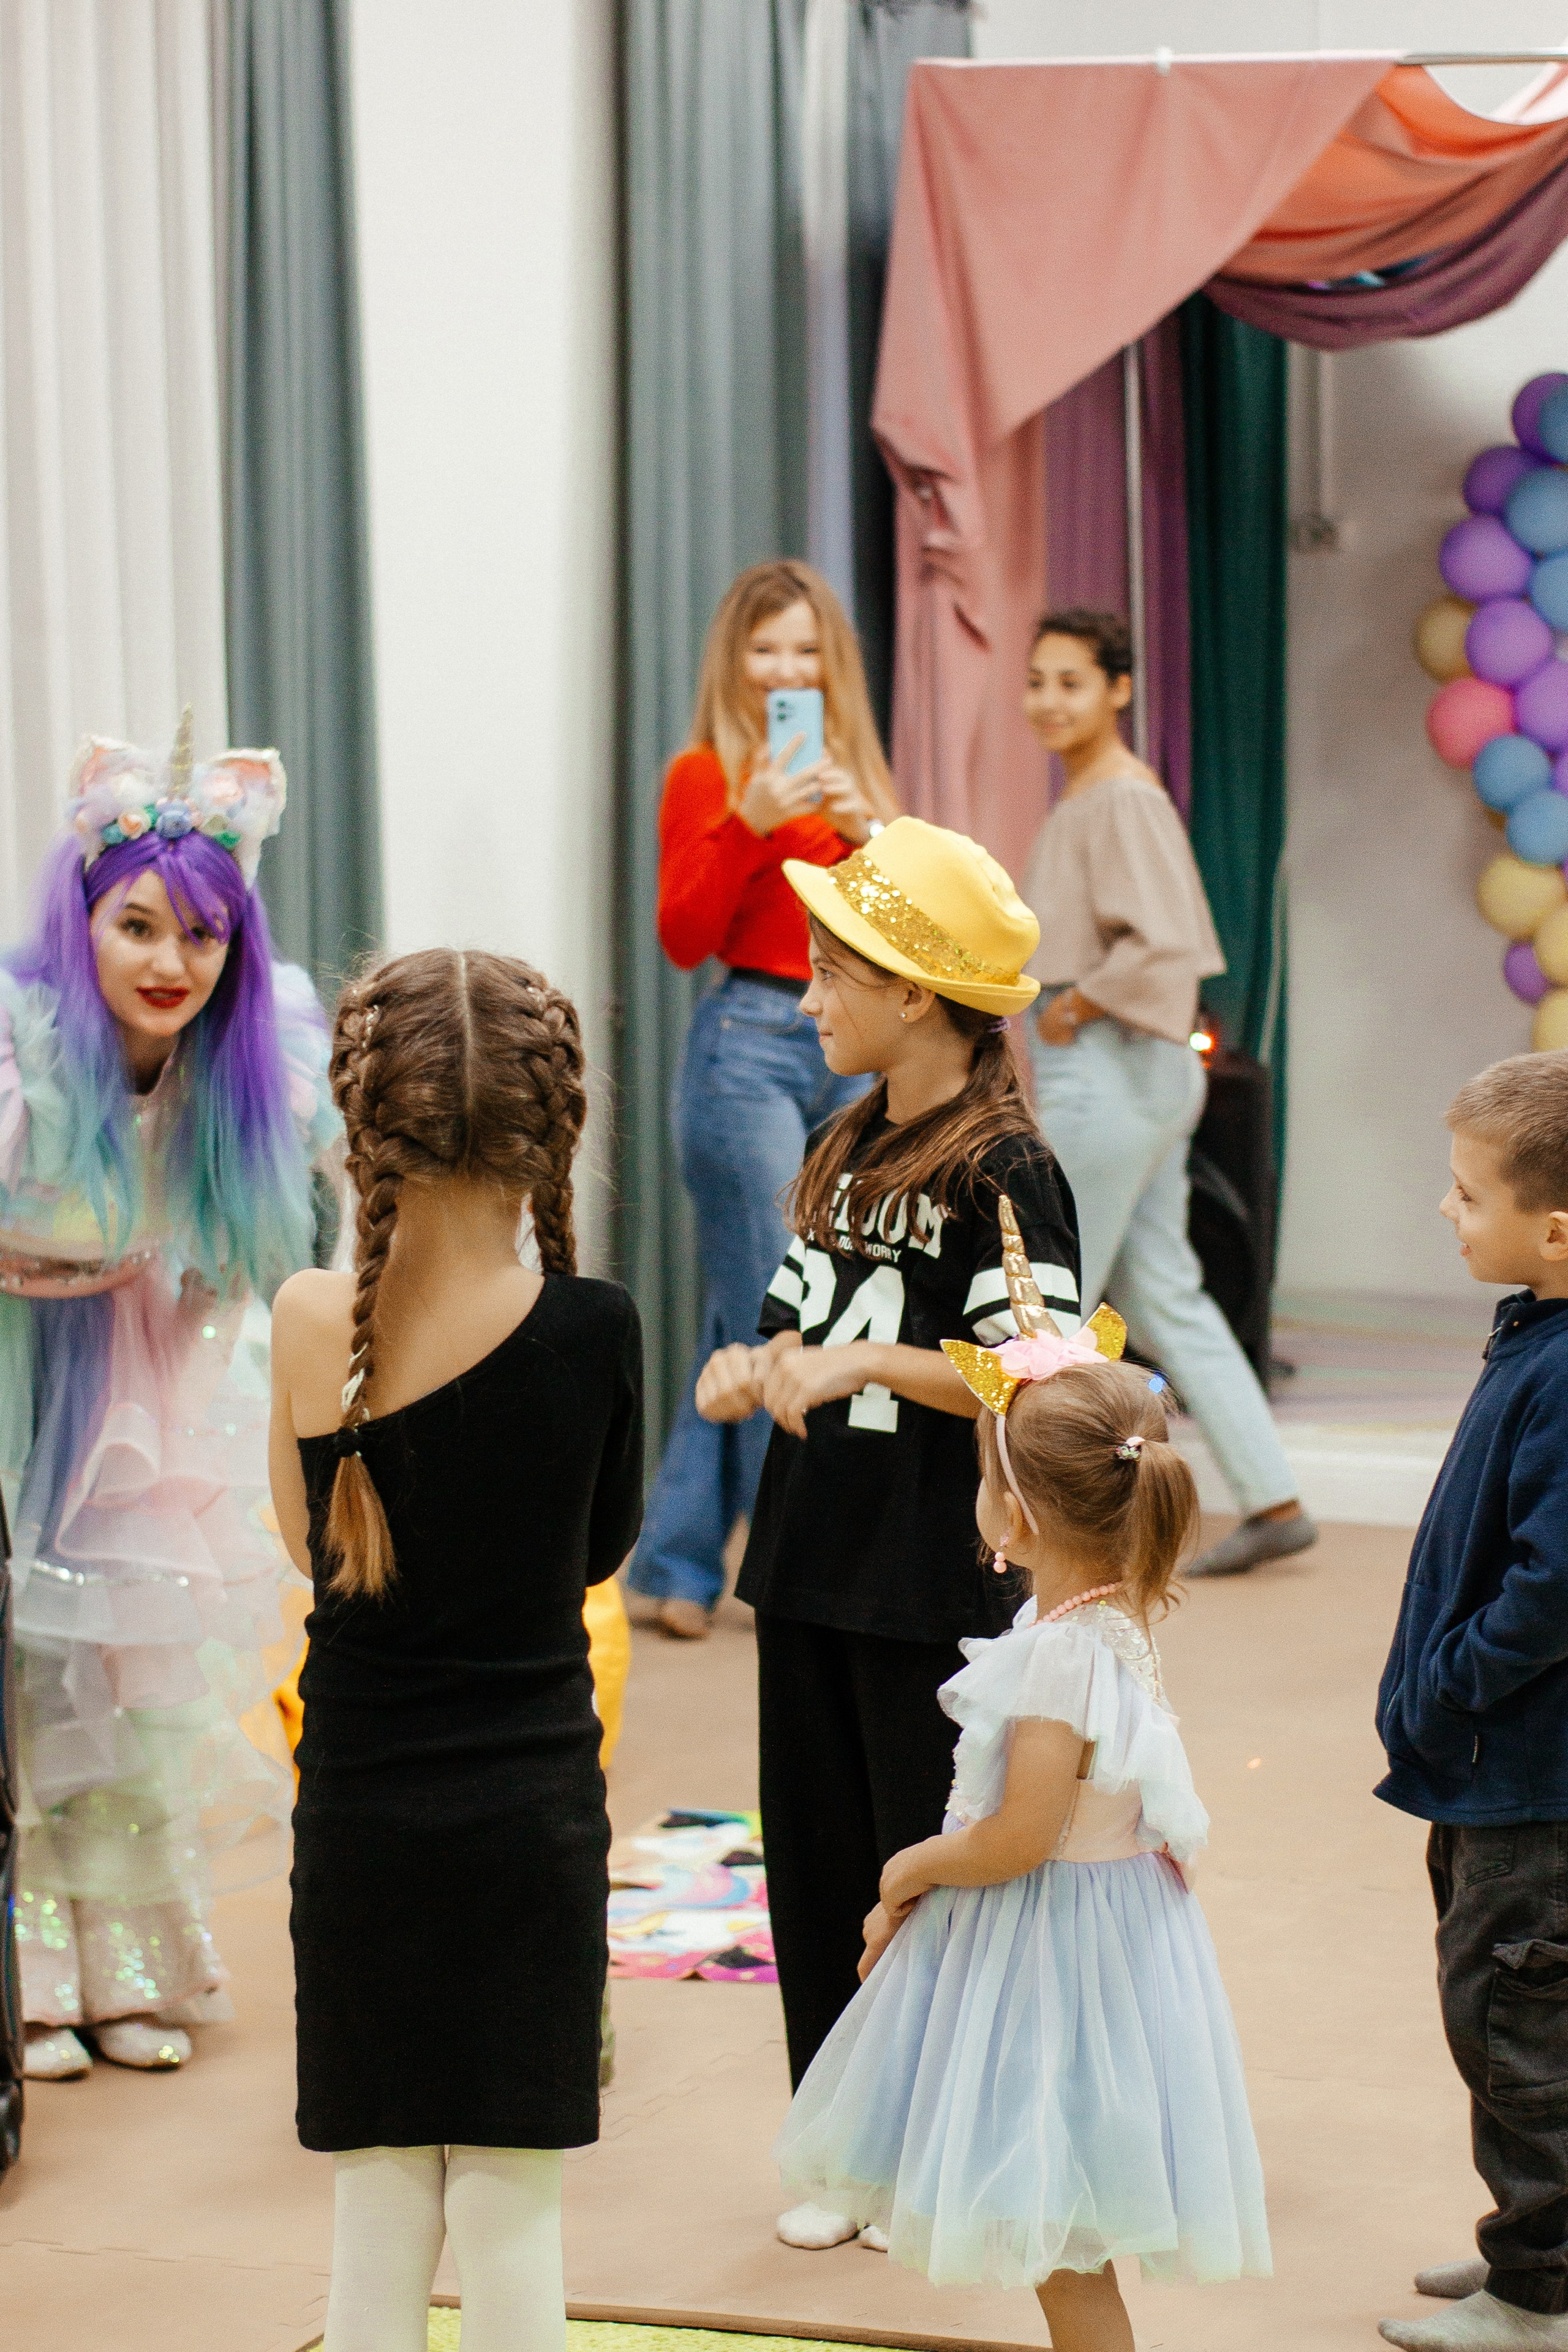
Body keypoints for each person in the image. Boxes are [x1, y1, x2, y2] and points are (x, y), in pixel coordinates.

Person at [695, 815, 1080, 2250]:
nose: (807, 1002)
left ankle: (939, 2140)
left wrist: (866, 1367)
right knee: (808, 1865)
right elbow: (791, 1324)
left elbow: (1037, 1375)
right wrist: (752, 1369)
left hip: (928, 1581)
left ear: (914, 991)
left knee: (913, 1868)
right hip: (803, 1564)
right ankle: (837, 2143)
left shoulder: (1005, 1169)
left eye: (828, 977)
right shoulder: (835, 1140)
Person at [774, 1254, 1270, 2352]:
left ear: (1016, 1513)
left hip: (1054, 1965)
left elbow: (1019, 1837)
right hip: (1110, 1947)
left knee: (1058, 2236)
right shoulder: (1113, 1622)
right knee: (1065, 2231)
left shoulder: (1055, 1659)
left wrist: (908, 1868)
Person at [269, 948, 643, 2352]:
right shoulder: (597, 1328)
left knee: (375, 2213)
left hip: (362, 1823)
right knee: (513, 2214)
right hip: (531, 1827)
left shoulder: (314, 1320)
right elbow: (596, 1549)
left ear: (363, 1126)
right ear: (558, 1133)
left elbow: (296, 1537)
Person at [1, 717, 338, 2082]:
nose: (168, 964)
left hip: (154, 1399)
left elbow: (247, 1252)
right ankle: (28, 1978)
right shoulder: (24, 1060)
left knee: (132, 1689)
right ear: (85, 923)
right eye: (137, 927)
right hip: (24, 1388)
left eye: (200, 938)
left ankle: (129, 1972)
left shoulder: (245, 1074)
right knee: (26, 1690)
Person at [627, 559, 899, 1640]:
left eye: (803, 651)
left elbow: (906, 940)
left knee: (749, 1315)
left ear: (831, 667)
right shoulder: (704, 775)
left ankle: (680, 1563)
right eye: (764, 650)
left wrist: (874, 831)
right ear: (734, 662)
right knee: (788, 1313)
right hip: (745, 1044)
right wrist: (747, 821)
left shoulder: (857, 782)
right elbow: (683, 937)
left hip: (853, 1047)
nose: (784, 670)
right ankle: (796, 1562)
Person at [1021, 608, 1316, 1580]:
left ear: (1119, 689)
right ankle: (1273, 1497)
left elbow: (1163, 943)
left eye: (1072, 680)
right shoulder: (1098, 797)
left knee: (1050, 1304)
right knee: (1170, 1297)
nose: (1049, 700)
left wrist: (1076, 1007)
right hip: (1132, 1074)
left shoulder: (1116, 799)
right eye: (1038, 681)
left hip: (1108, 1067)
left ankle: (1019, 1523)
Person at [1376, 1053, 1568, 2352]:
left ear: (1551, 1230)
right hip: (1488, 1764)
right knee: (1497, 2009)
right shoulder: (1530, 1331)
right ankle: (1525, 2246)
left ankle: (1533, 2292)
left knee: (1518, 2030)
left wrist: (1451, 1684)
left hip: (1528, 1775)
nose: (1444, 1211)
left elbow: (1551, 1584)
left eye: (1463, 1194)